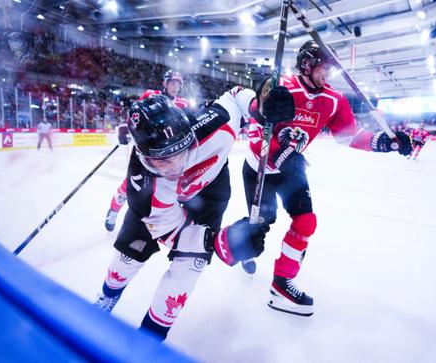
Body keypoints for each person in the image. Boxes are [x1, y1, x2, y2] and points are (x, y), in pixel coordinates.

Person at [93, 87, 294, 341]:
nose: (177, 164)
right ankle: (107, 297)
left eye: (181, 151)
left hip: (210, 194)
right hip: (161, 212)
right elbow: (172, 233)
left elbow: (234, 96)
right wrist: (217, 241)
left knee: (187, 270)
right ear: (143, 155)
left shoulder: (214, 125)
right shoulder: (143, 190)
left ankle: (150, 338)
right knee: (127, 258)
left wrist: (258, 106)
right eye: (163, 159)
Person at [242, 40, 412, 316]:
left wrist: (385, 142)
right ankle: (244, 246)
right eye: (324, 67)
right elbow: (255, 126)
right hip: (260, 167)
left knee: (306, 222)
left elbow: (350, 136)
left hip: (292, 167)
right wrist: (278, 150)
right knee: (259, 229)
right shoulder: (281, 87)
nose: (328, 73)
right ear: (307, 64)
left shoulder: (334, 100)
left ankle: (282, 284)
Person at [104, 71, 190, 232]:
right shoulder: (151, 96)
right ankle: (114, 210)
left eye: (178, 84)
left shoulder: (183, 104)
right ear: (164, 83)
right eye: (172, 83)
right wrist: (124, 129)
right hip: (145, 153)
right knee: (129, 184)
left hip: (169, 157)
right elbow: (134, 116)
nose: (175, 87)